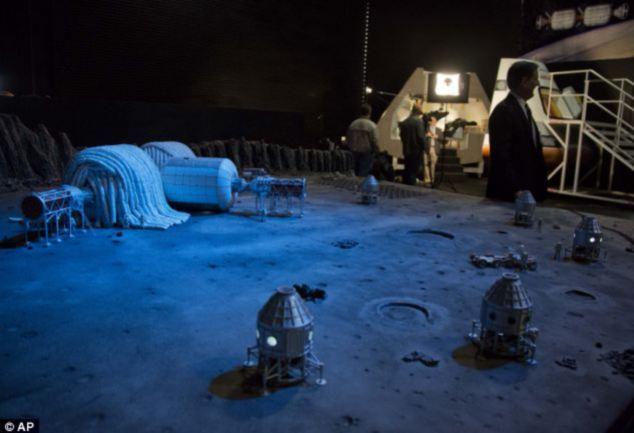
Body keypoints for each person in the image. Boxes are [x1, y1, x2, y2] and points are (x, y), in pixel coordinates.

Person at [486, 61, 547, 202]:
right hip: (510, 195)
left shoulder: (523, 109)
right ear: (524, 81)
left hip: (524, 191)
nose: (537, 83)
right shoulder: (504, 111)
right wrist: (516, 190)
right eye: (535, 79)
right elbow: (502, 154)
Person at [346, 103, 379, 177]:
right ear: (369, 112)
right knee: (364, 173)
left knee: (354, 172)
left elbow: (348, 138)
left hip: (353, 152)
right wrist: (377, 151)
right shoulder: (372, 126)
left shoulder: (353, 124)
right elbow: (374, 141)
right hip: (366, 153)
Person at [398, 105, 426, 185]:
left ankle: (405, 187)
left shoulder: (405, 122)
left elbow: (401, 135)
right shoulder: (419, 121)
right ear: (418, 112)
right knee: (414, 170)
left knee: (407, 169)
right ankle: (411, 186)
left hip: (406, 149)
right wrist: (425, 147)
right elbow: (420, 137)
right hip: (416, 150)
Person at [423, 115, 440, 185]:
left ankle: (433, 179)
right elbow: (420, 137)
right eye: (432, 121)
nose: (434, 122)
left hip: (434, 148)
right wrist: (426, 135)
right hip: (426, 148)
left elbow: (443, 139)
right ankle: (427, 179)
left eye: (435, 121)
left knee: (433, 164)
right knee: (425, 164)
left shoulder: (439, 130)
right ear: (429, 122)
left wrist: (437, 137)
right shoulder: (425, 129)